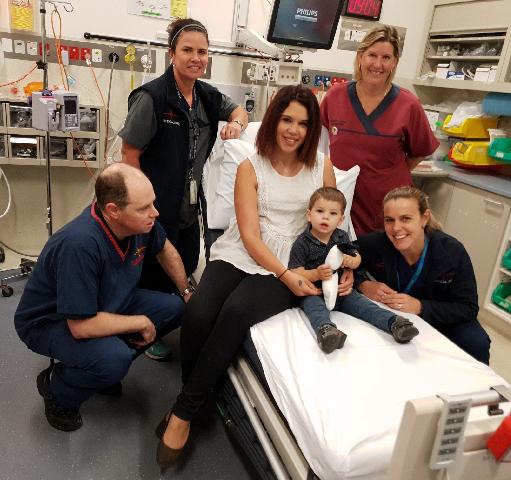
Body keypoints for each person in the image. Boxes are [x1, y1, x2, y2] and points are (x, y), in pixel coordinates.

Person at [155, 85, 355, 469]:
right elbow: (248, 234)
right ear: (275, 120)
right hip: (245, 249)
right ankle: (193, 395)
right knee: (198, 312)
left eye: (303, 123)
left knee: (236, 311)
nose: (293, 129)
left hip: (297, 257)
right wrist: (282, 274)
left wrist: (341, 264)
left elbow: (332, 221)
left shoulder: (321, 165)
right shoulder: (251, 165)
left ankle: (182, 413)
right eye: (286, 119)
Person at [14, 164, 192, 432]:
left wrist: (187, 292)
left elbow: (165, 250)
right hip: (51, 322)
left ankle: (97, 368)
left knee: (174, 308)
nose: (154, 213)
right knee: (114, 360)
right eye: (144, 208)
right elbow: (81, 325)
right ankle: (58, 388)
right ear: (113, 211)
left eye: (152, 204)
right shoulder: (80, 245)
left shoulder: (142, 225)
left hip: (105, 302)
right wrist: (140, 323)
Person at [119, 18, 248, 359]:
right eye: (188, 50)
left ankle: (167, 319)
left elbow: (239, 110)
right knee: (153, 271)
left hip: (190, 207)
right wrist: (142, 206)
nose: (196, 58)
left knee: (186, 260)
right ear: (172, 53)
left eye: (202, 51)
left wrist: (235, 123)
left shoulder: (205, 96)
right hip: (157, 205)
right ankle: (145, 332)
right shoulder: (153, 98)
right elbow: (129, 155)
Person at [320, 25, 439, 236]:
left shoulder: (408, 104)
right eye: (372, 55)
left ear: (395, 62)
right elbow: (320, 144)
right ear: (360, 57)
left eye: (386, 57)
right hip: (342, 202)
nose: (378, 64)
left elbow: (420, 150)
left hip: (386, 205)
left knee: (382, 263)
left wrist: (386, 173)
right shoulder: (335, 97)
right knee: (341, 260)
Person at [357, 186, 491, 364]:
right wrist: (363, 284)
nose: (396, 228)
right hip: (396, 317)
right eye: (389, 220)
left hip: (443, 317)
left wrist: (420, 306)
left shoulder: (451, 251)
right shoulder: (376, 244)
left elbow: (467, 308)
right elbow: (338, 259)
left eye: (405, 219)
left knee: (476, 342)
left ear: (424, 218)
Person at [289, 186, 419, 353]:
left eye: (333, 213)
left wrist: (352, 261)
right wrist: (315, 274)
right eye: (320, 211)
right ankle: (327, 331)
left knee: (365, 306)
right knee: (315, 309)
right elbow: (295, 271)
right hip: (314, 292)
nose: (325, 217)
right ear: (309, 214)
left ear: (341, 219)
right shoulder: (302, 242)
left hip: (342, 291)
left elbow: (357, 257)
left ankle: (395, 323)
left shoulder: (341, 236)